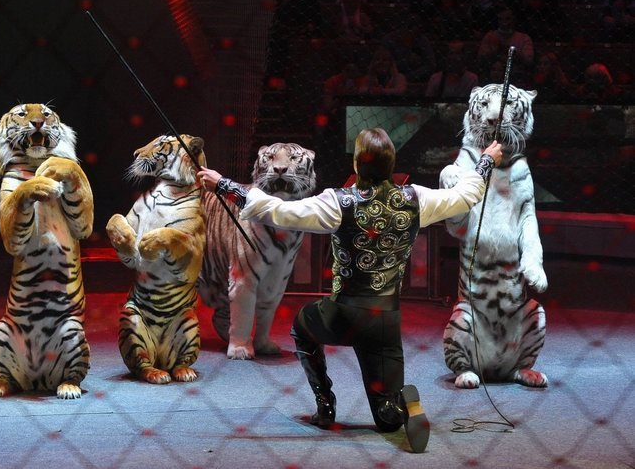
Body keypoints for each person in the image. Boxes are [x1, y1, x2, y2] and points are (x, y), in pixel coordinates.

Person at [197, 128, 503, 454]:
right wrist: (486, 160)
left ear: (357, 165)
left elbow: (279, 211)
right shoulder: (417, 199)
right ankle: (404, 408)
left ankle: (325, 403)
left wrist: (224, 184)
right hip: (385, 322)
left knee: (302, 325)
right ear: (391, 164)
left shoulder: (338, 202)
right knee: (386, 417)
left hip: (341, 315)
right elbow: (466, 195)